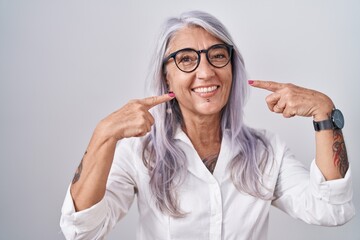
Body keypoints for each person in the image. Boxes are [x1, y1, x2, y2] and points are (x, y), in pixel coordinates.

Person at [60, 10, 355, 240]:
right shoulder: (138, 153)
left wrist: (324, 112)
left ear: (232, 69)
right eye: (186, 59)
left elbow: (331, 209)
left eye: (217, 56)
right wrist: (103, 135)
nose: (205, 72)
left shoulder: (267, 151)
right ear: (166, 77)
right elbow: (81, 231)